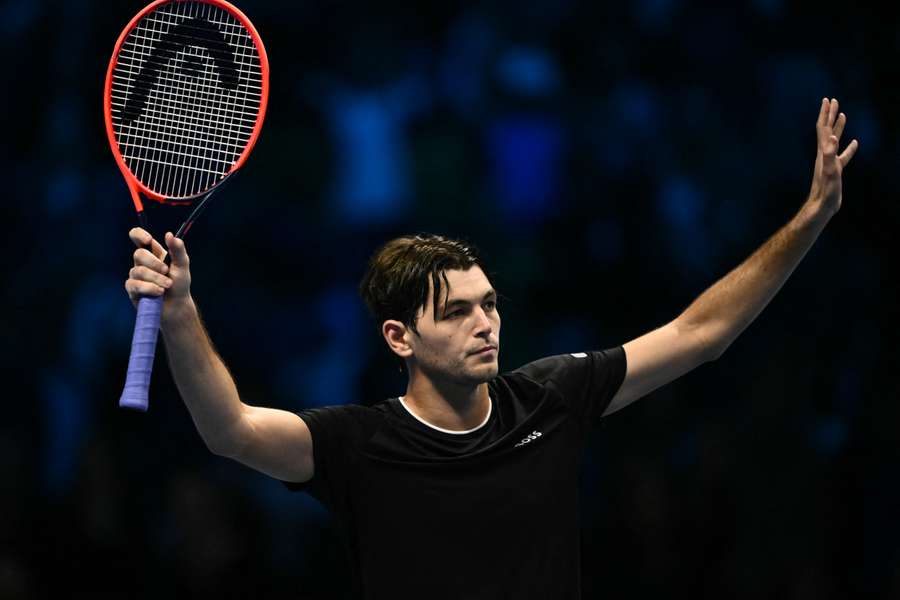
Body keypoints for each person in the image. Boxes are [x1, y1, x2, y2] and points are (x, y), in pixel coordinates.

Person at [125, 98, 857, 599]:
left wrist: (811, 218)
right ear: (399, 337)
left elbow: (703, 333)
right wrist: (182, 310)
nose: (487, 324)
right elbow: (231, 431)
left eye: (491, 304)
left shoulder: (553, 395)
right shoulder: (355, 444)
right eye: (459, 313)